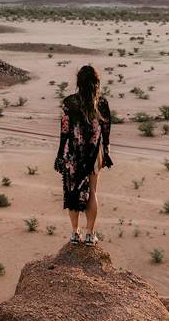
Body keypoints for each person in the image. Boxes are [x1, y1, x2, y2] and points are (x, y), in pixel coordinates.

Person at [54, 64, 113, 246]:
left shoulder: (69, 103)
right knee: (92, 192)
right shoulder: (102, 104)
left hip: (72, 154)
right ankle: (90, 234)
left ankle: (74, 233)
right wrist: (107, 152)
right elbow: (106, 131)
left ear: (78, 82)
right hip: (94, 155)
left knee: (72, 193)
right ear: (96, 82)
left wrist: (59, 156)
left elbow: (64, 132)